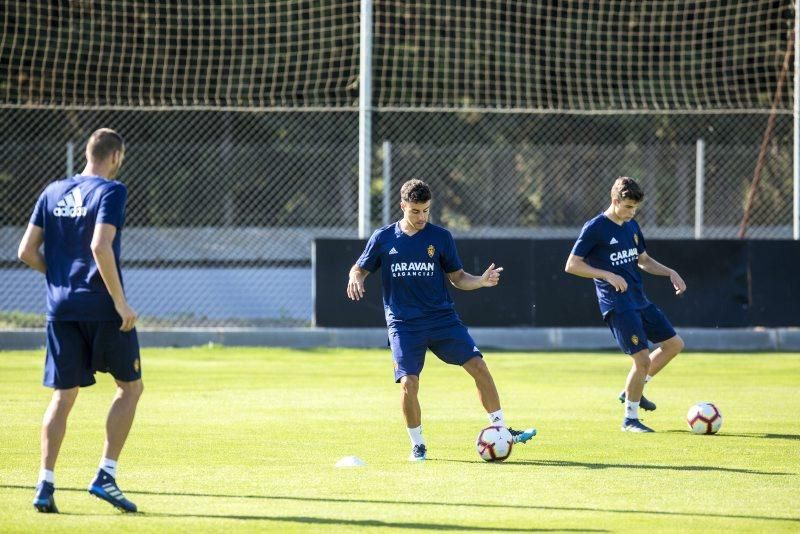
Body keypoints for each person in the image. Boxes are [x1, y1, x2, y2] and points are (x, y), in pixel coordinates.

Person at [346, 179, 536, 461]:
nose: (421, 217)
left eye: (426, 211)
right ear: (402, 207)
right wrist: (355, 277)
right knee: (409, 382)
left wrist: (481, 281)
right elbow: (360, 268)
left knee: (479, 366)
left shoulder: (441, 237)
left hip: (441, 319)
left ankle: (500, 428)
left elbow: (458, 278)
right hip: (404, 324)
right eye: (415, 211)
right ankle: (418, 444)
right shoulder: (384, 238)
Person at [18, 128, 142, 513]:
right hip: (101, 307)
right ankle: (105, 475)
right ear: (116, 156)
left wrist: (60, 278)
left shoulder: (52, 191)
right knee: (129, 388)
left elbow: (25, 251)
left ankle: (45, 483)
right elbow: (99, 245)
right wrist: (120, 303)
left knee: (63, 396)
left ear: (86, 153)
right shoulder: (112, 190)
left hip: (61, 308)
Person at [564, 176, 686, 433]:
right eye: (628, 207)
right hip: (617, 304)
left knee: (674, 345)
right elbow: (572, 265)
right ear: (615, 200)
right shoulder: (595, 227)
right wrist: (607, 275)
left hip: (639, 300)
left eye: (635, 208)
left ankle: (634, 388)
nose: (632, 212)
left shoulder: (631, 225)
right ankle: (630, 419)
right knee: (641, 359)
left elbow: (644, 260)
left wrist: (670, 272)